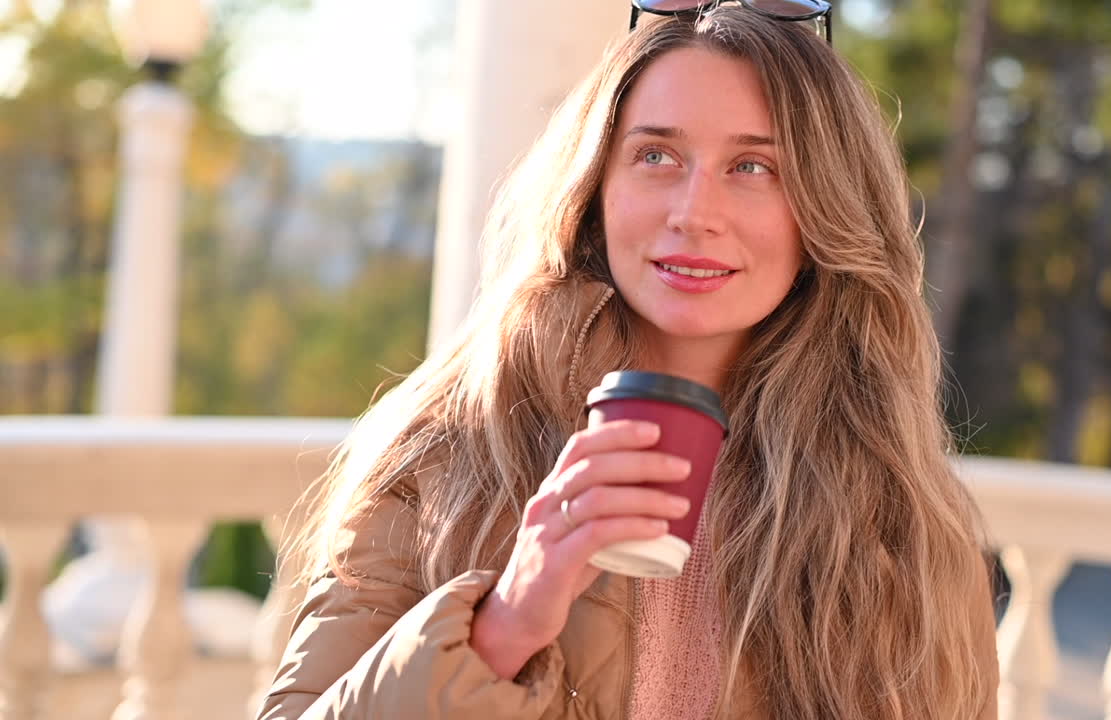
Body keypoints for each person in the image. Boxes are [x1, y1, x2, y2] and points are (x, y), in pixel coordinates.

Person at [256, 3, 998, 719]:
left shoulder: (904, 519)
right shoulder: (449, 451)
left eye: (753, 167)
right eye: (655, 155)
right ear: (593, 189)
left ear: (825, 209)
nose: (693, 211)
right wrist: (504, 625)